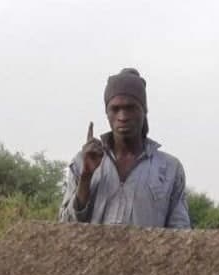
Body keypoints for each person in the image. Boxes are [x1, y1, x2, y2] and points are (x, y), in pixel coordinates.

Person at [58, 68, 191, 229]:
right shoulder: (82, 161)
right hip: (92, 254)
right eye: (115, 109)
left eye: (130, 108)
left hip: (147, 255)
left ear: (144, 111)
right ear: (107, 113)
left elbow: (181, 233)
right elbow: (65, 228)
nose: (122, 117)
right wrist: (86, 177)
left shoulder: (169, 168)